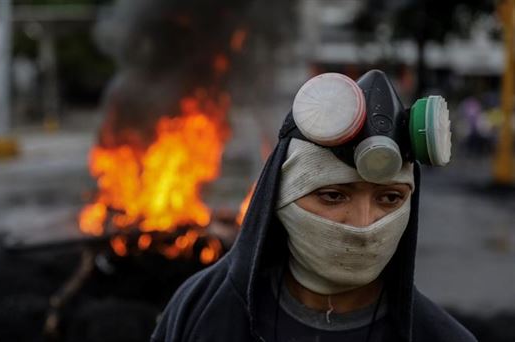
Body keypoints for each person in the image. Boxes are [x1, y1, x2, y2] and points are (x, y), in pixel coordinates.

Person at [151, 70, 476, 341]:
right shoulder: (201, 313)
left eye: (389, 198)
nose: (363, 224)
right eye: (333, 195)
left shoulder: (440, 336)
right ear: (279, 197)